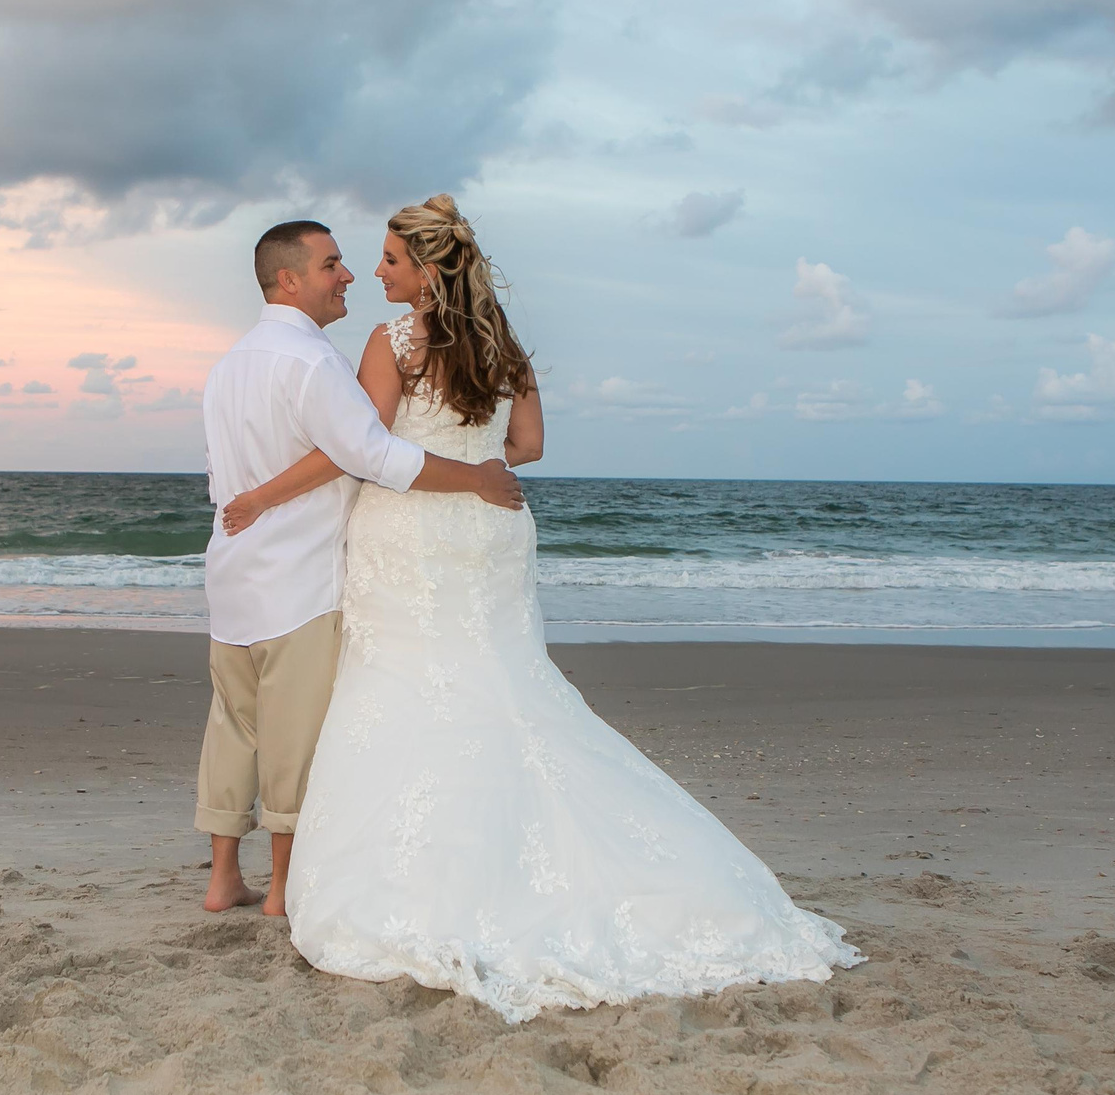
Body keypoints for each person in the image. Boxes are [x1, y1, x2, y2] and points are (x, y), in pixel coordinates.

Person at [217, 195, 864, 1022]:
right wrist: (475, 455)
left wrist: (264, 499)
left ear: (425, 268)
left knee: (409, 686)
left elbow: (366, 450)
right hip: (491, 531)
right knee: (506, 686)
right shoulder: (505, 344)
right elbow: (529, 447)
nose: (375, 272)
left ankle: (430, 872)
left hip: (411, 534)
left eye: (388, 259)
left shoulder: (393, 342)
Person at [196, 218, 526, 916]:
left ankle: (223, 876)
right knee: (295, 734)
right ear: (289, 279)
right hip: (299, 578)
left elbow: (222, 478)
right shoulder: (312, 363)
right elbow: (371, 453)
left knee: (234, 723)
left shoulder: (228, 365)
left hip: (231, 574)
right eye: (332, 264)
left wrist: (251, 500)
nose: (349, 275)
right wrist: (473, 480)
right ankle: (281, 890)